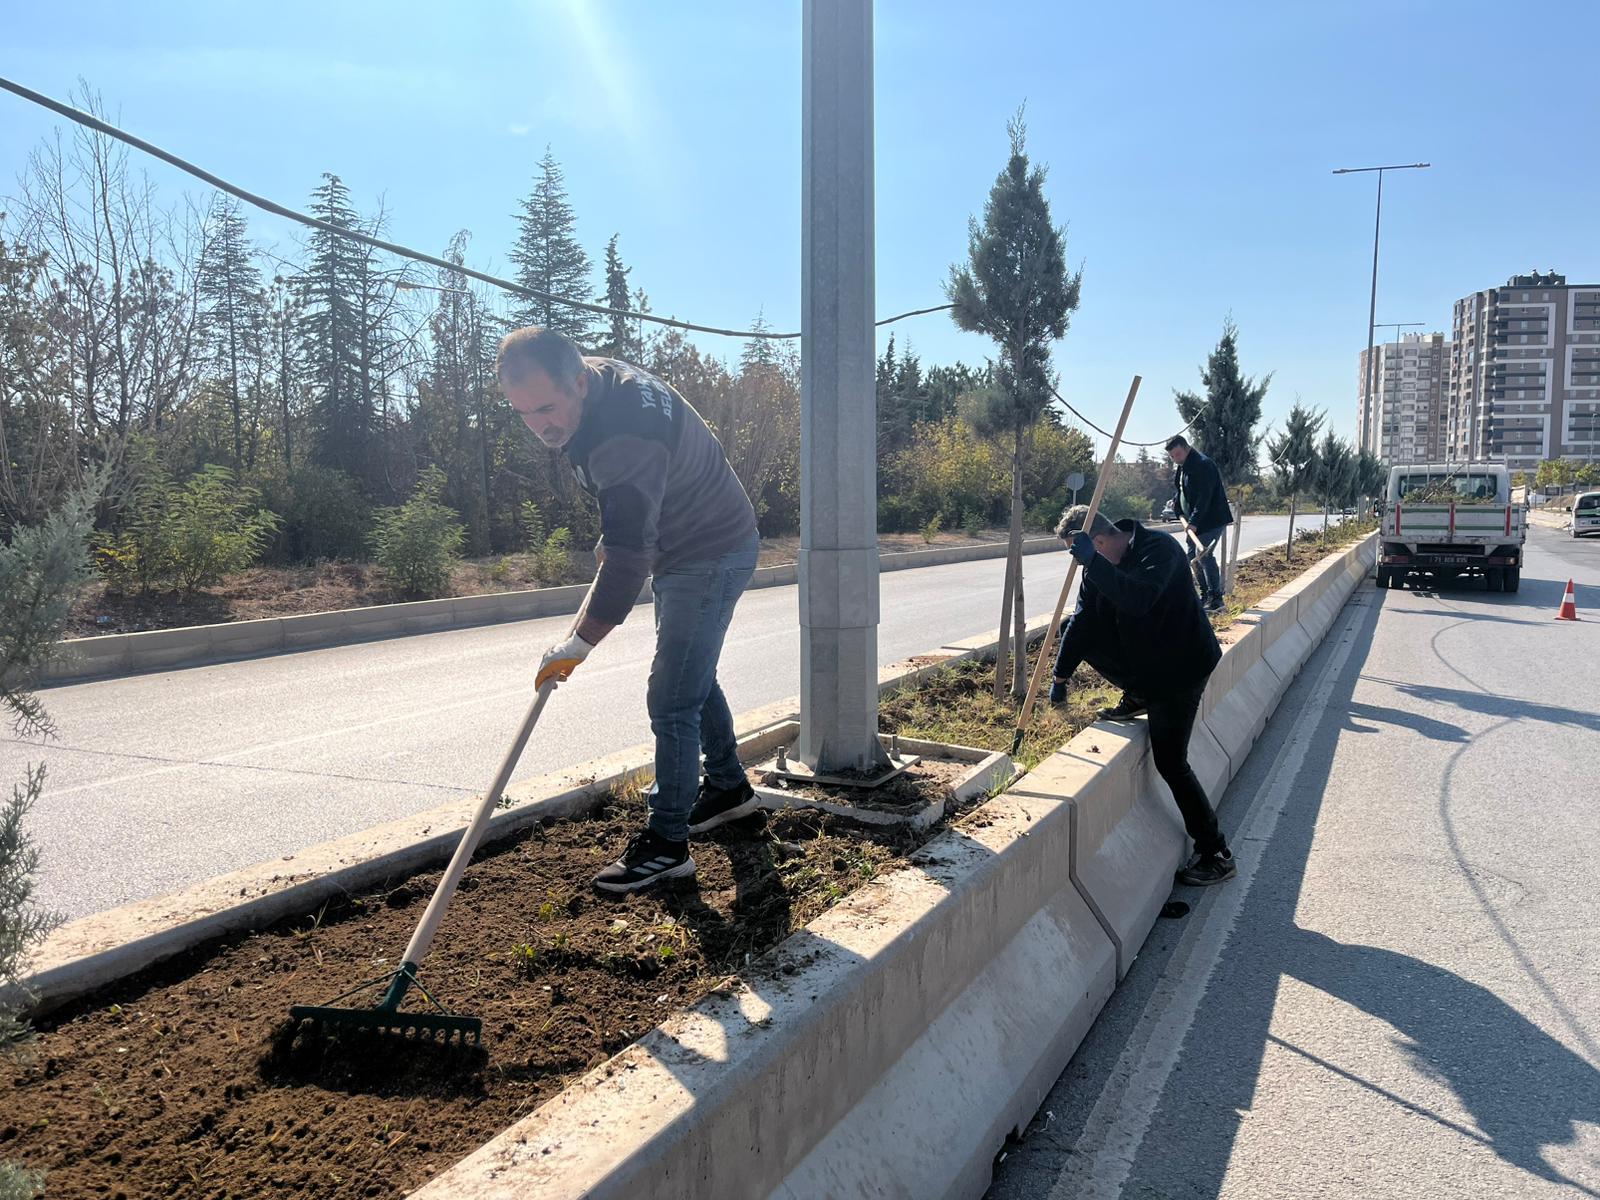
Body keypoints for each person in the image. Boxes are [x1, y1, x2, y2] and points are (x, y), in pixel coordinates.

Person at [497, 327, 761, 893]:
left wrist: (578, 645)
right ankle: (728, 789)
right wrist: (624, 532)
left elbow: (626, 564)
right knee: (691, 676)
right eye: (524, 413)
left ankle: (667, 845)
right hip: (681, 539)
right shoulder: (593, 379)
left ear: (578, 382)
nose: (540, 424)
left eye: (546, 408)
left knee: (672, 697)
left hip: (709, 549)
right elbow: (634, 504)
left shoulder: (622, 438)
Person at [1046, 505, 1237, 887]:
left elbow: (1139, 599)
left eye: (1080, 551)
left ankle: (1216, 853)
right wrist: (1060, 678)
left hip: (1182, 667)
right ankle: (1138, 693)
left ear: (1099, 541)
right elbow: (1083, 623)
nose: (1080, 560)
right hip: (1149, 660)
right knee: (1077, 626)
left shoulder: (1159, 549)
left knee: (1171, 761)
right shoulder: (1097, 567)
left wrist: (1094, 565)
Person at [1165, 435, 1233, 613]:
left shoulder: (1203, 465)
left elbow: (1205, 497)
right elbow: (1181, 490)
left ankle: (1216, 598)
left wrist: (1194, 522)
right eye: (1172, 456)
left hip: (1211, 519)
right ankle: (1204, 596)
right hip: (1194, 521)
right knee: (1191, 557)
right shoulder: (1182, 467)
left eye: (1177, 454)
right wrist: (1177, 507)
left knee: (1203, 555)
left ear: (1186, 448)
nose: (1175, 459)